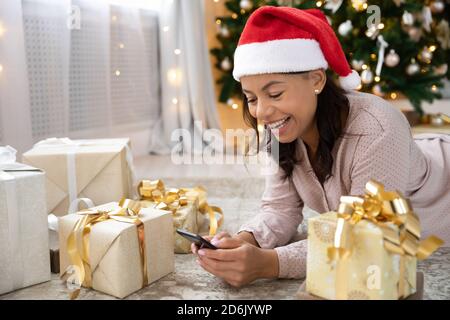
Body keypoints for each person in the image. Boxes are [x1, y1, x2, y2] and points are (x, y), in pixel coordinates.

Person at [193, 6, 450, 288]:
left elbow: (366, 237)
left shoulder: (377, 129)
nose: (262, 112)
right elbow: (280, 209)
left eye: (275, 93)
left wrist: (268, 263)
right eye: (251, 98)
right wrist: (243, 242)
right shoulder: (282, 131)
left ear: (316, 80)